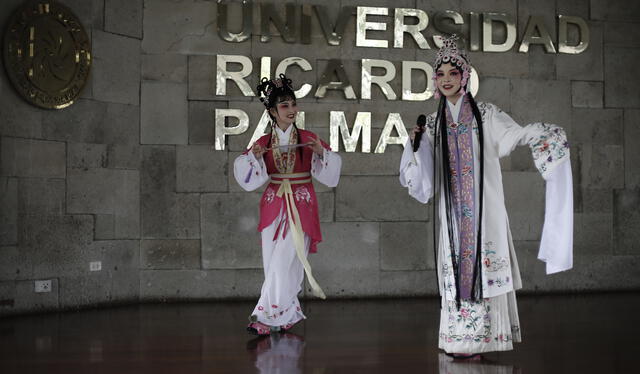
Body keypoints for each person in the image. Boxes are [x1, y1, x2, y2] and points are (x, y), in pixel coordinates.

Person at [399, 35, 573, 358]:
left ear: (465, 77)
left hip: (483, 215)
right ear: (435, 82)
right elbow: (425, 177)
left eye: (453, 73)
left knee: (483, 269)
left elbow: (511, 136)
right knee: (456, 271)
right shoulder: (435, 124)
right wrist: (416, 145)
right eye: (441, 75)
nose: (447, 79)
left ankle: (480, 342)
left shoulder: (486, 115)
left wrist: (534, 133)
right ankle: (457, 341)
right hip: (452, 216)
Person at [234, 74, 342, 336]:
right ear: (272, 111)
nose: (291, 110)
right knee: (273, 262)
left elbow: (331, 171)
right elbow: (245, 174)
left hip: (302, 204)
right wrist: (255, 159)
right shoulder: (263, 142)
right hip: (274, 204)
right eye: (284, 106)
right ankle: (288, 313)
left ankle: (264, 316)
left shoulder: (308, 138)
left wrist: (320, 153)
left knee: (286, 261)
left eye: (293, 104)